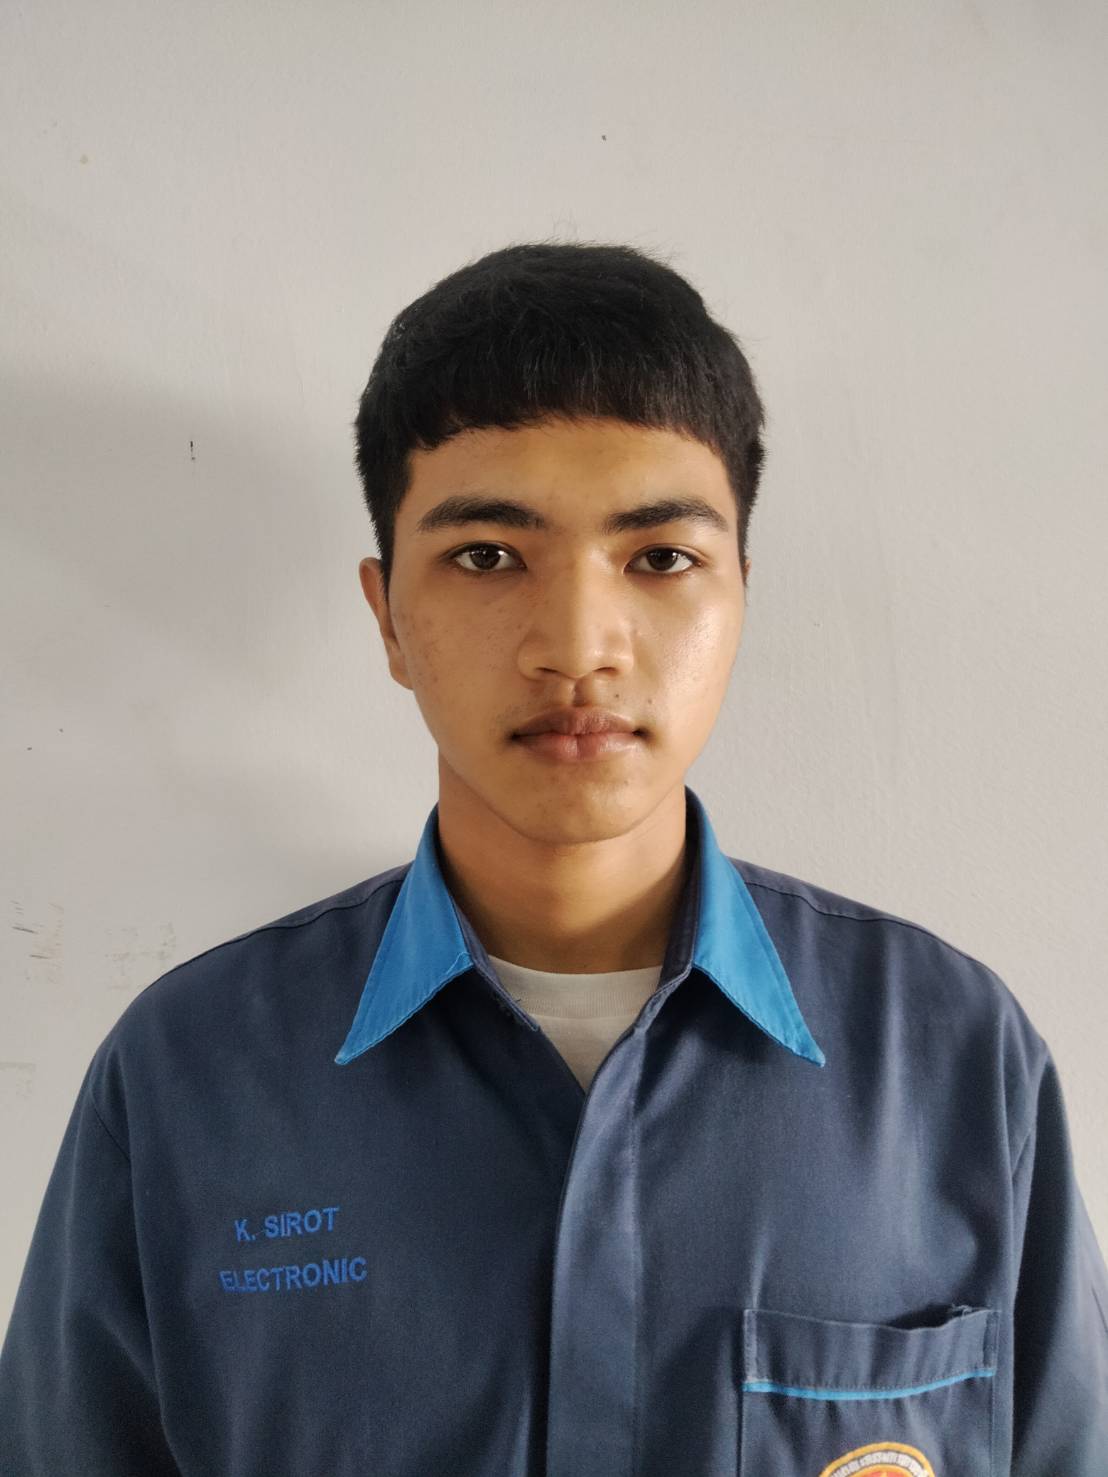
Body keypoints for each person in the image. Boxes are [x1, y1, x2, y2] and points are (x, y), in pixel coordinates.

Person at [1, 240, 1105, 1476]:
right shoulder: (188, 1074)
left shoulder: (952, 1057)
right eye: (486, 555)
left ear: (740, 594)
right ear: (387, 615)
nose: (578, 646)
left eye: (661, 557)